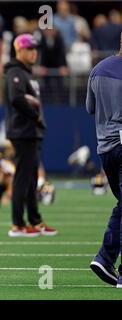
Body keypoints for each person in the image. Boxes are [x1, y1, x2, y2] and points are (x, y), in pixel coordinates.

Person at [4, 34, 57, 237]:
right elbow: (16, 98)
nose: (34, 52)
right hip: (23, 131)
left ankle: (35, 220)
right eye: (29, 49)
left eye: (35, 49)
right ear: (19, 50)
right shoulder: (15, 72)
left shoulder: (27, 72)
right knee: (22, 178)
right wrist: (35, 117)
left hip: (30, 131)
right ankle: (17, 224)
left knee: (31, 177)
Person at [87, 32, 122, 287]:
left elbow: (90, 107)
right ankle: (107, 258)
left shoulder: (98, 69)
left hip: (105, 148)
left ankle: (107, 259)